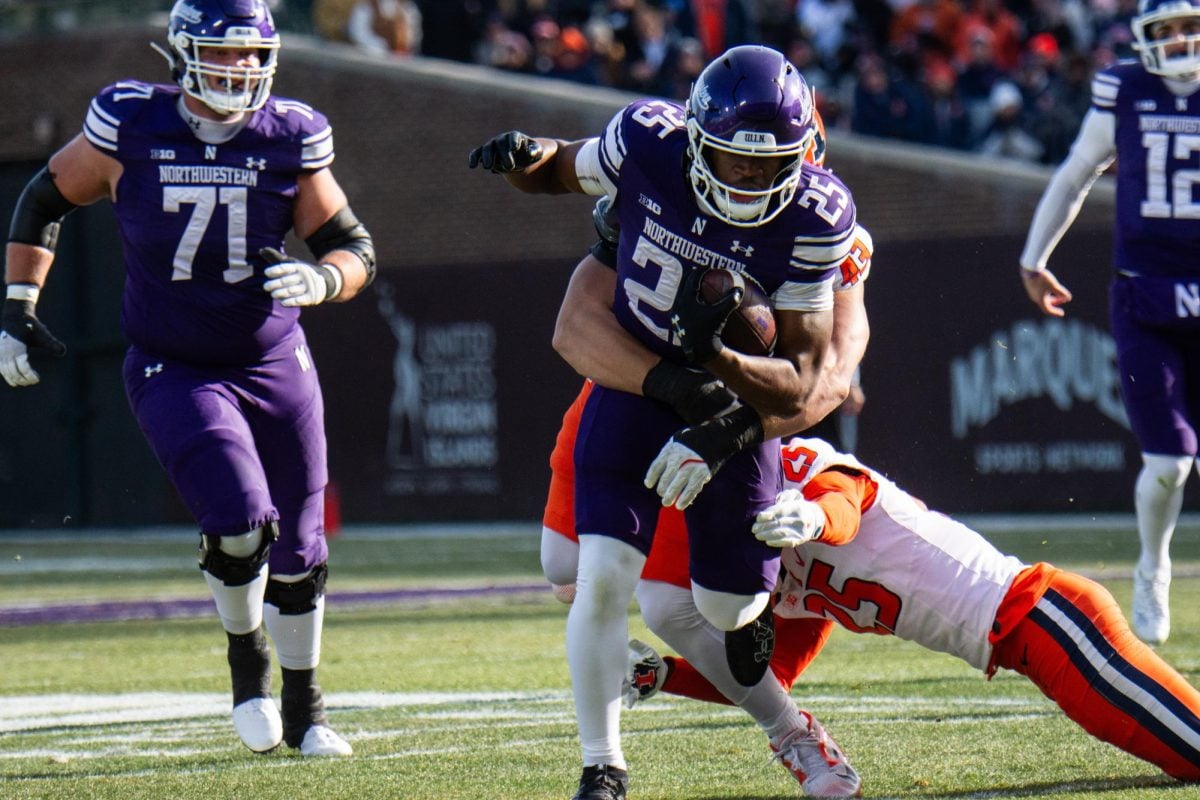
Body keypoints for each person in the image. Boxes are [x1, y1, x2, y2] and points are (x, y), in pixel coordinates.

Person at [470, 45, 862, 800]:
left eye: (769, 163)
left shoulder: (820, 215)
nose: (749, 178)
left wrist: (718, 364)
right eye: (732, 159)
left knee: (725, 603)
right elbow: (557, 169)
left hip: (733, 410)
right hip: (639, 385)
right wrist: (523, 156)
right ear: (694, 135)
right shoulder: (647, 141)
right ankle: (601, 765)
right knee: (600, 579)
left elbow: (808, 378)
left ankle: (749, 621)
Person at [1, 0, 376, 757]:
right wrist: (16, 305)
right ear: (183, 53)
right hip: (175, 363)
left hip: (274, 361)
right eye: (225, 52)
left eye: (251, 54)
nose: (240, 69)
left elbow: (352, 245)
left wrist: (325, 281)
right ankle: (248, 664)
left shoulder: (290, 134)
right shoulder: (132, 124)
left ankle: (307, 710)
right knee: (240, 521)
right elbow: (45, 197)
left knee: (302, 543)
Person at [623, 436, 1200, 783]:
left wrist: (816, 519)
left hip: (1046, 616)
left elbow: (844, 503)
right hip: (1027, 650)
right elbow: (763, 679)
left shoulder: (793, 474)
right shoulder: (764, 578)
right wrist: (666, 675)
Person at [1018, 0, 1200, 646]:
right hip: (1146, 295)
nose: (1181, 42)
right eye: (1168, 30)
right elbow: (1075, 175)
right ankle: (1154, 564)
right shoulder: (1126, 90)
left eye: (1191, 28)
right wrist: (1034, 257)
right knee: (1170, 464)